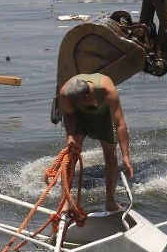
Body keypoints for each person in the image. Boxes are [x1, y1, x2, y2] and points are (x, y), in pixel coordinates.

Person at [57, 73, 134, 212]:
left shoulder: (107, 91)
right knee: (71, 156)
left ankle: (110, 202)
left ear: (86, 97)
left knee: (111, 157)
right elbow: (69, 114)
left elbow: (120, 123)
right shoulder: (65, 93)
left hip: (104, 118)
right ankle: (65, 201)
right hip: (79, 119)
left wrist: (125, 155)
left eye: (76, 102)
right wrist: (70, 137)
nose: (72, 104)